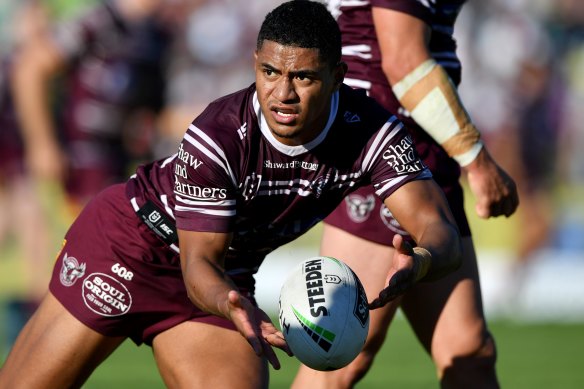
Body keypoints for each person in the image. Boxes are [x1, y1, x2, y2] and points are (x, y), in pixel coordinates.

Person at [0, 1, 464, 387]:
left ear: (338, 75)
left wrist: (421, 260)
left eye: (303, 77)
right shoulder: (219, 135)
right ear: (254, 64)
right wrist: (230, 303)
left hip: (223, 280)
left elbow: (433, 223)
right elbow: (197, 262)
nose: (282, 93)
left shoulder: (371, 130)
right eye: (269, 71)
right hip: (129, 246)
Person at [292, 1, 519, 388]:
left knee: (468, 353)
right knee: (340, 356)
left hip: (420, 143)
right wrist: (478, 162)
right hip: (384, 145)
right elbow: (404, 60)